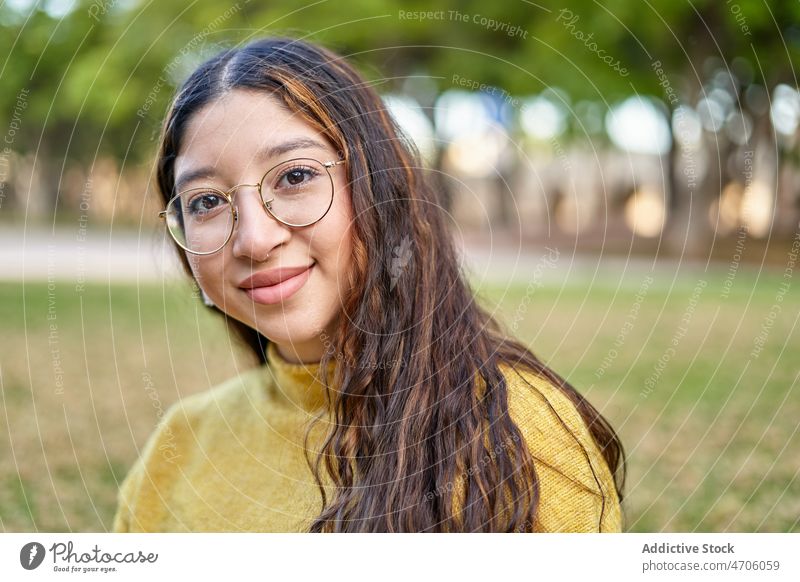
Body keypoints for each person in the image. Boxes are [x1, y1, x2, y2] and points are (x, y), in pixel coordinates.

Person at [112, 36, 626, 533]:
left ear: (379, 187)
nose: (253, 240)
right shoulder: (179, 446)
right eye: (205, 201)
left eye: (294, 177)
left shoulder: (520, 436)